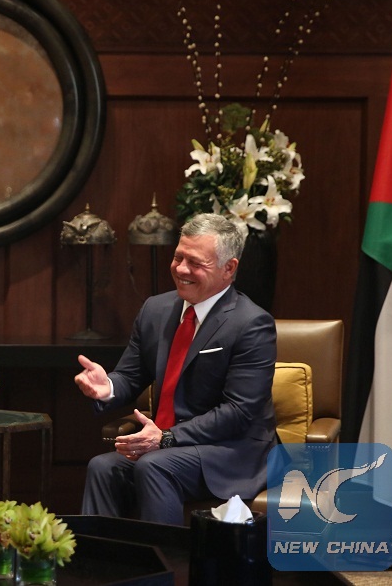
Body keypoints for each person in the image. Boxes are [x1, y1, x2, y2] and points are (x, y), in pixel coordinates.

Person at [75, 213, 276, 525]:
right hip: (167, 444)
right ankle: (102, 554)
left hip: (230, 451)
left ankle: (167, 557)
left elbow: (239, 412)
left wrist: (167, 437)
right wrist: (108, 387)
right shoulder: (155, 309)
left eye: (195, 263)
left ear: (229, 268)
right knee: (103, 467)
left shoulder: (251, 323)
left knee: (154, 466)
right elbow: (130, 375)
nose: (181, 269)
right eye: (178, 257)